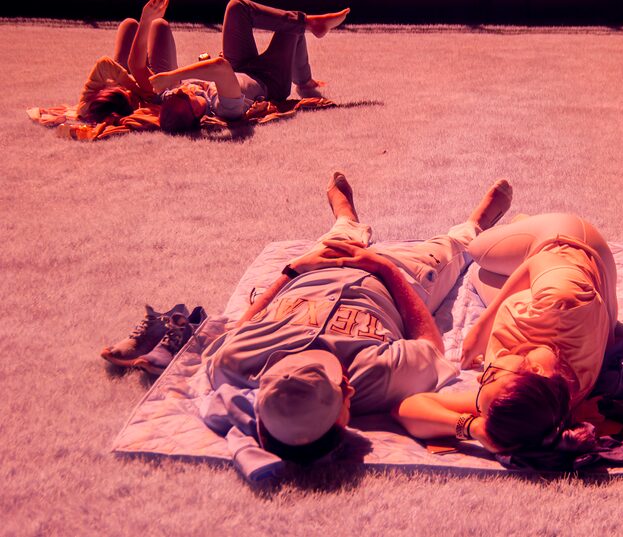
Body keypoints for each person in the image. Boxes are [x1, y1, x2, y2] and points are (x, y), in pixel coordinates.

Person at [201, 173, 513, 464]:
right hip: (395, 280)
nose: (349, 390)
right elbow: (430, 345)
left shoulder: (234, 364)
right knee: (448, 251)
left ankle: (346, 222)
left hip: (312, 271)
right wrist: (383, 268)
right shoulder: (378, 378)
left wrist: (292, 271)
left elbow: (238, 327)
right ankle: (473, 227)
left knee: (334, 241)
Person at [393, 213, 618, 456]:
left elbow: (405, 408)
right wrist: (482, 327)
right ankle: (521, 223)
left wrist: (473, 427)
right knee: (477, 251)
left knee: (478, 275)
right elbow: (539, 261)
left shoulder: (533, 404)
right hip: (568, 245)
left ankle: (513, 247)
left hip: (534, 299)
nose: (480, 379)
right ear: (535, 370)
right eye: (490, 376)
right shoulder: (563, 304)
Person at [147, 0, 350, 134]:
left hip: (240, 65)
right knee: (290, 30)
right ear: (197, 110)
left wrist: (147, 19)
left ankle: (310, 24)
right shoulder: (225, 108)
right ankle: (305, 81)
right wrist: (171, 76)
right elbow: (220, 67)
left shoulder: (174, 93)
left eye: (177, 91)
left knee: (237, 7)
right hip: (270, 80)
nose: (182, 88)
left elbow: (159, 29)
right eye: (183, 95)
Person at [77, 0, 176, 123]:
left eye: (125, 92)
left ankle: (145, 20)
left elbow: (103, 64)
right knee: (159, 25)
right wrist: (140, 93)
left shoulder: (87, 108)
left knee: (129, 24)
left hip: (127, 79)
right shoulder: (139, 110)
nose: (129, 93)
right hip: (151, 90)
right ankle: (148, 20)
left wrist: (133, 87)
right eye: (130, 97)